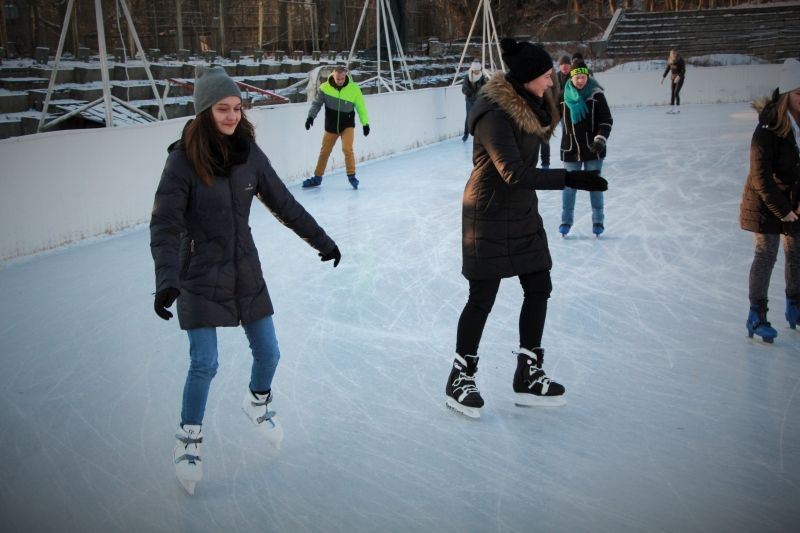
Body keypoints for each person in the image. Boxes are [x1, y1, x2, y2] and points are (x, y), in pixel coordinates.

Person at [150, 66, 342, 494]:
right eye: (223, 108)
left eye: (237, 108)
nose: (232, 116)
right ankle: (188, 440)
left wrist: (322, 241)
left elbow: (284, 203)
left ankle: (257, 399)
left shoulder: (248, 153)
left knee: (269, 353)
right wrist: (166, 278)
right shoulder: (182, 161)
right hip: (197, 272)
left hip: (244, 268)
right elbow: (164, 223)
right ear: (204, 111)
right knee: (205, 362)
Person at [445, 38, 607, 419]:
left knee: (539, 285)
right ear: (527, 78)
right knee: (482, 296)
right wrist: (571, 178)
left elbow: (560, 114)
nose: (551, 82)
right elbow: (513, 172)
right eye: (546, 76)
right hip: (487, 212)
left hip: (520, 211)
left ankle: (528, 372)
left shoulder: (533, 104)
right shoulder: (494, 113)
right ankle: (459, 377)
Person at [739, 57, 800, 343]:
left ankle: (795, 306)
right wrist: (784, 210)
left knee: (796, 252)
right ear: (786, 94)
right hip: (765, 202)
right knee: (767, 253)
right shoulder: (768, 128)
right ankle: (756, 316)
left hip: (792, 200)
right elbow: (760, 176)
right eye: (798, 94)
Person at [558, 60, 613, 237]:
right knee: (569, 187)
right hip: (571, 149)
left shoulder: (596, 95)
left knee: (594, 185)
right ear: (571, 78)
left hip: (593, 149)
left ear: (588, 77)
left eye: (583, 77)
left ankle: (598, 221)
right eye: (577, 77)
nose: (580, 80)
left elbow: (606, 120)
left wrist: (600, 140)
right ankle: (566, 221)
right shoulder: (563, 97)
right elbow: (550, 118)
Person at [303, 65, 370, 190]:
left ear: (345, 76)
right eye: (338, 79)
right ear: (333, 76)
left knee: (347, 149)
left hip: (347, 125)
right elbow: (316, 104)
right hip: (331, 126)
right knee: (324, 151)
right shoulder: (325, 88)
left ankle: (352, 176)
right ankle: (317, 178)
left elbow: (361, 107)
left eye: (342, 79)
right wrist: (310, 117)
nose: (340, 81)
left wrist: (365, 123)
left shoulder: (354, 89)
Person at [462, 60, 487, 142]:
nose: (477, 72)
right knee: (469, 116)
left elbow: (485, 87)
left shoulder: (482, 77)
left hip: (479, 100)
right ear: (472, 70)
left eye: (478, 70)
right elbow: (464, 89)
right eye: (476, 70)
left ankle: (480, 134)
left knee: (480, 116)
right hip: (470, 100)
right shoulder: (467, 77)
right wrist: (472, 94)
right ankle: (466, 134)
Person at [661, 49, 686, 114]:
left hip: (680, 78)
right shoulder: (670, 60)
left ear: (676, 54)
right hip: (673, 78)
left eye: (674, 53)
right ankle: (671, 108)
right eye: (672, 54)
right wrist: (663, 77)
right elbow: (668, 69)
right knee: (672, 93)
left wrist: (679, 76)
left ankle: (678, 109)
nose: (673, 55)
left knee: (676, 93)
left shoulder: (680, 60)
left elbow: (683, 70)